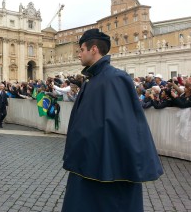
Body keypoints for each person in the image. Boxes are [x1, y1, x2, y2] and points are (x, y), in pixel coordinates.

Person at [62, 29, 163, 212]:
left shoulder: (116, 78)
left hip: (111, 164)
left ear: (94, 49)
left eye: (81, 49)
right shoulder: (90, 81)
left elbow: (128, 126)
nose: (79, 54)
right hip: (86, 161)